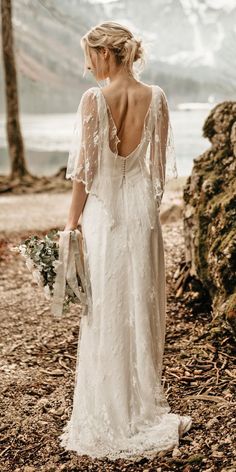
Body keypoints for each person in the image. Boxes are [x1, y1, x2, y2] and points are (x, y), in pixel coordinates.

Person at [60, 21, 192, 461]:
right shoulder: (157, 98)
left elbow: (86, 168)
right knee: (140, 302)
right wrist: (144, 211)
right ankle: (140, 407)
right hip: (141, 213)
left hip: (105, 213)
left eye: (91, 56)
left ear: (106, 54)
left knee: (106, 309)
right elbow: (156, 173)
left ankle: (111, 409)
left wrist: (72, 220)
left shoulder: (94, 99)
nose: (88, 64)